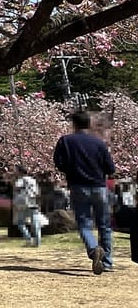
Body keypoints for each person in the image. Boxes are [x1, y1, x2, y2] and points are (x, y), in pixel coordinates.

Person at [53, 110, 116, 274]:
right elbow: (110, 167)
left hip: (78, 186)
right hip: (99, 186)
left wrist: (72, 171)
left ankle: (94, 249)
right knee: (104, 224)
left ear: (74, 124)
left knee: (83, 223)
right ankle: (107, 261)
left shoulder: (66, 141)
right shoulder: (99, 143)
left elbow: (59, 162)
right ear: (89, 124)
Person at [11, 166, 41, 248]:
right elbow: (37, 192)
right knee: (35, 222)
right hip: (33, 201)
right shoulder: (33, 180)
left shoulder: (21, 180)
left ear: (20, 172)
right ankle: (38, 241)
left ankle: (28, 239)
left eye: (16, 171)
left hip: (23, 202)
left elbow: (16, 188)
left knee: (20, 222)